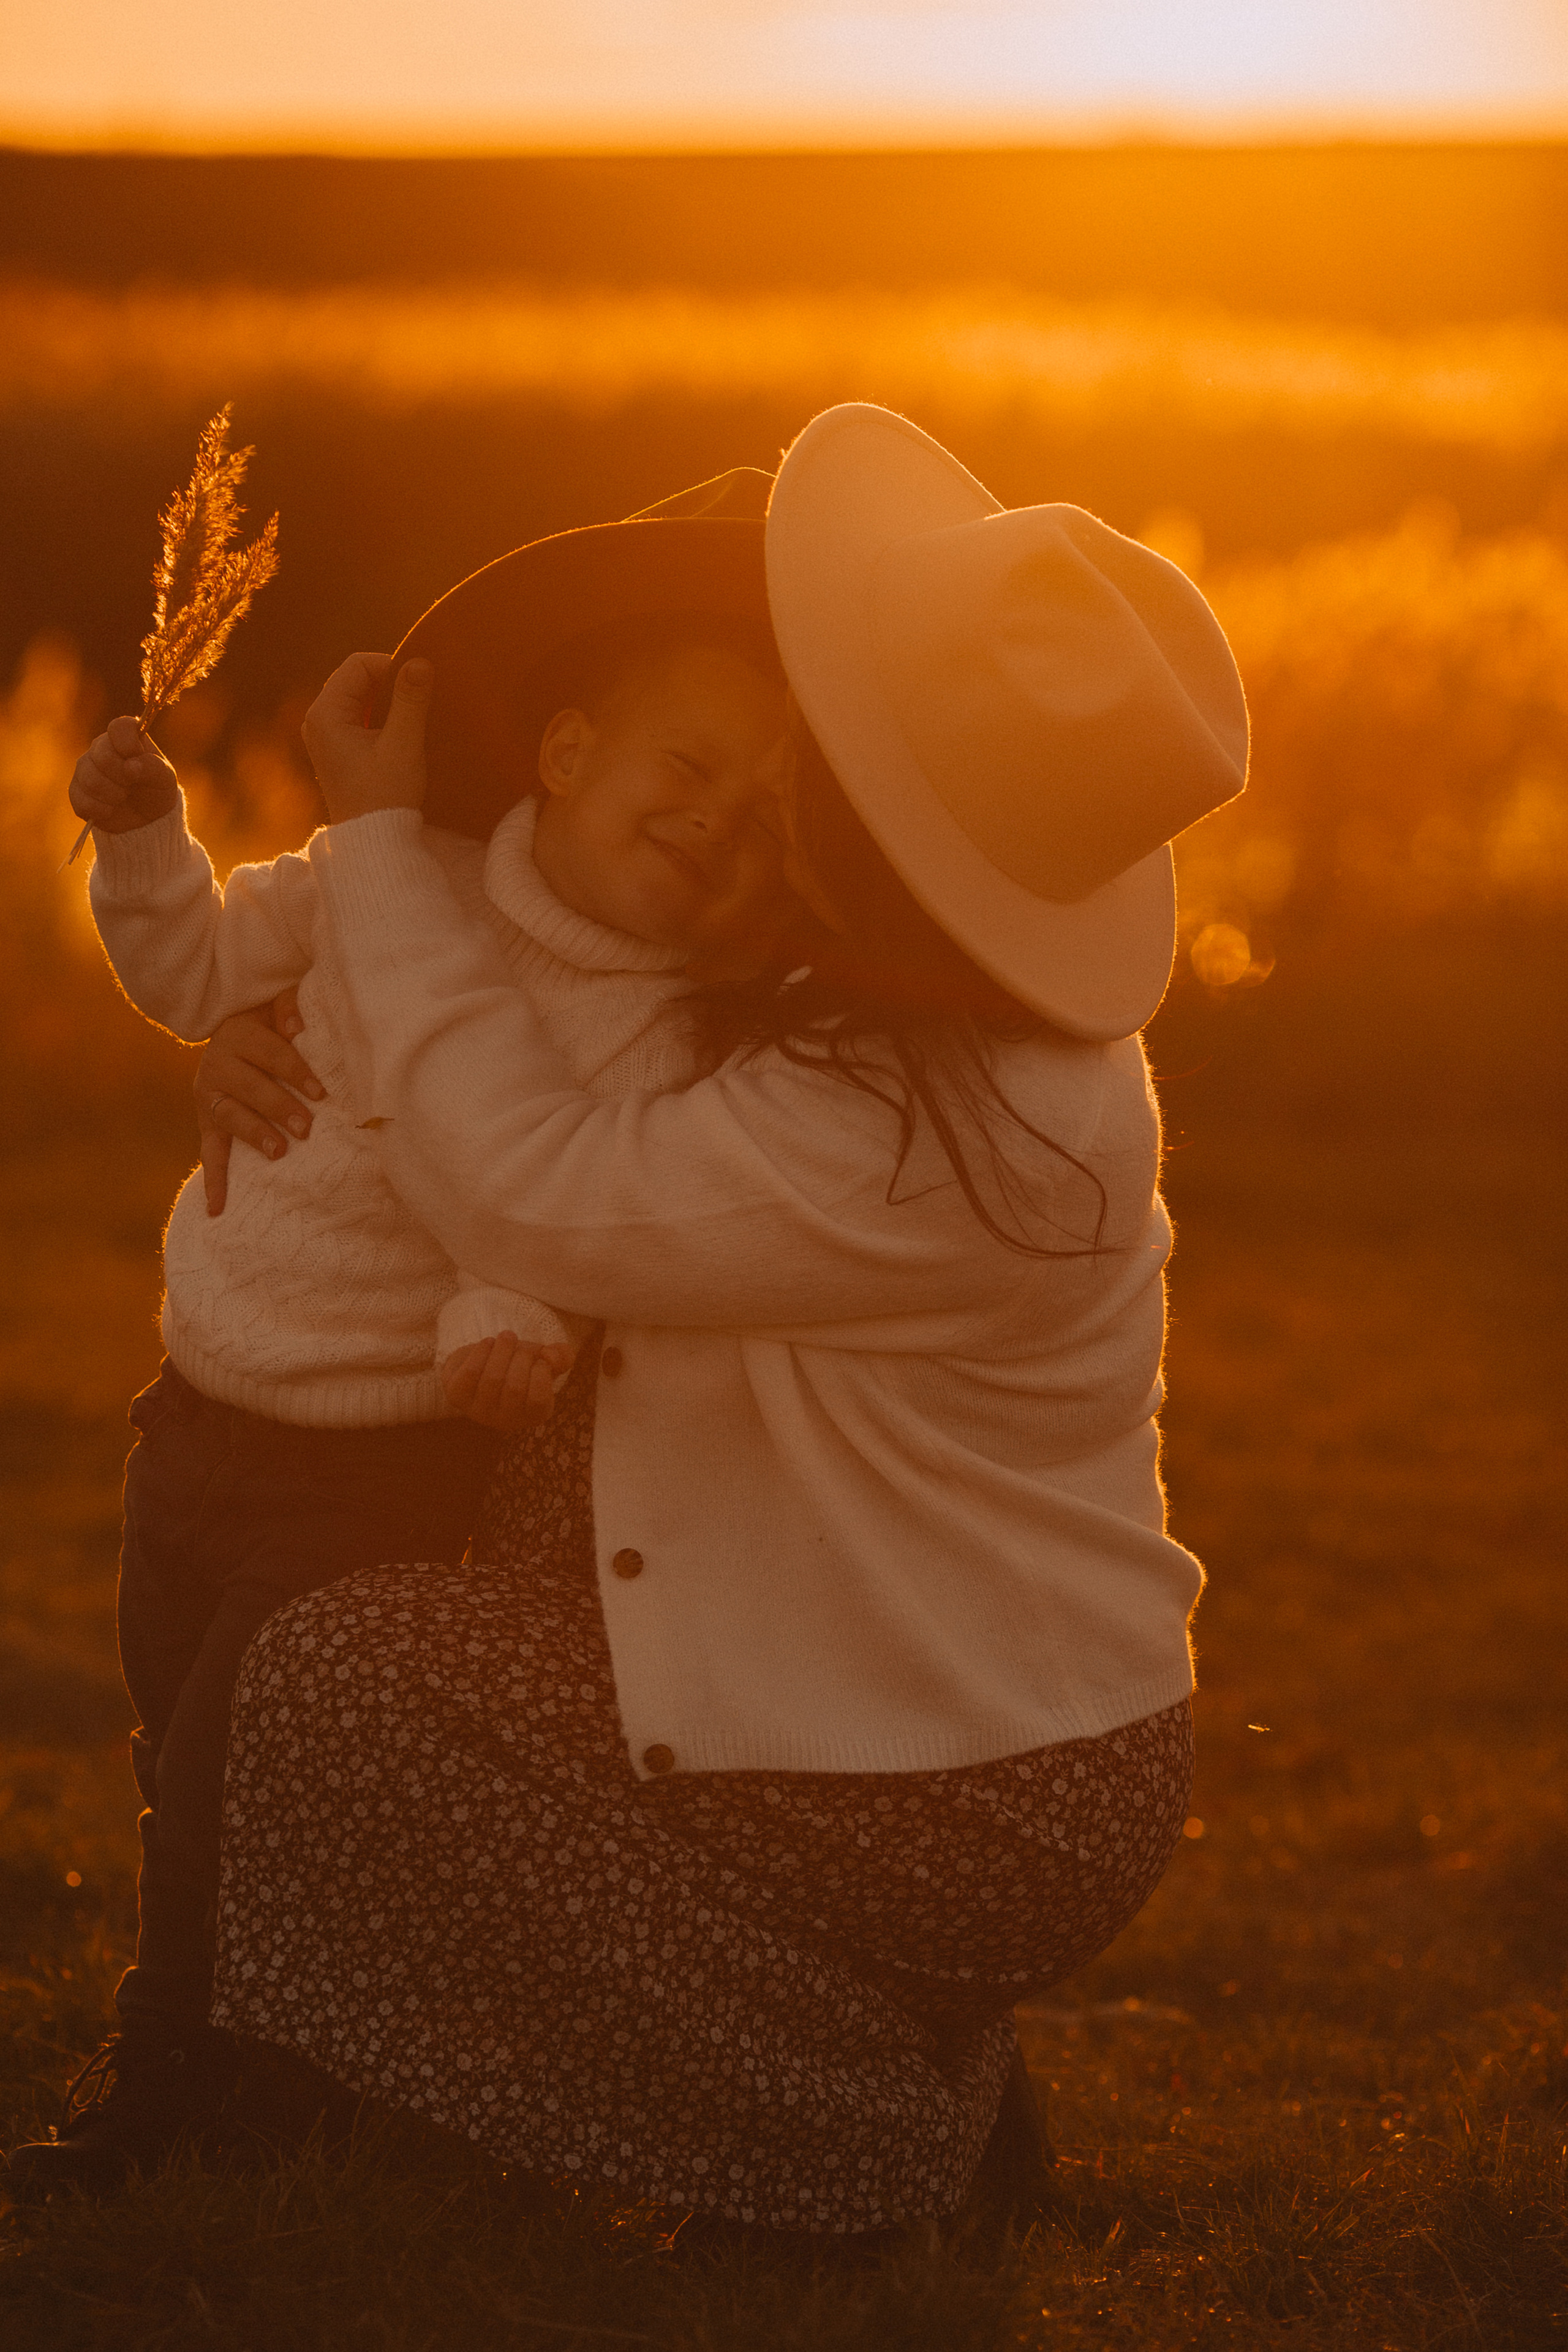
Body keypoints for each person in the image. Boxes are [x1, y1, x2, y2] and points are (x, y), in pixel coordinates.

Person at [34, 400, 1250, 2232]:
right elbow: (522, 1045)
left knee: (334, 1694)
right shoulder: (873, 994)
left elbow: (531, 1182)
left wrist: (377, 859)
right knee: (428, 1605)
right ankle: (825, 2059)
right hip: (895, 1667)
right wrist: (280, 1033)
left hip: (967, 1763)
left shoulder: (943, 1126)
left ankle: (867, 2126)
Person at [10, 477, 801, 2198]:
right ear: (568, 752)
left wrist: (502, 1318)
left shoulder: (654, 1032)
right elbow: (193, 972)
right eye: (690, 765)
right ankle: (297, 2051)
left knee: (229, 1772)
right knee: (174, 1730)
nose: (718, 816)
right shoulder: (382, 873)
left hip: (376, 1451)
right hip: (198, 1400)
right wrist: (143, 843)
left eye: (765, 813)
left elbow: (561, 1207)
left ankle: (172, 2093)